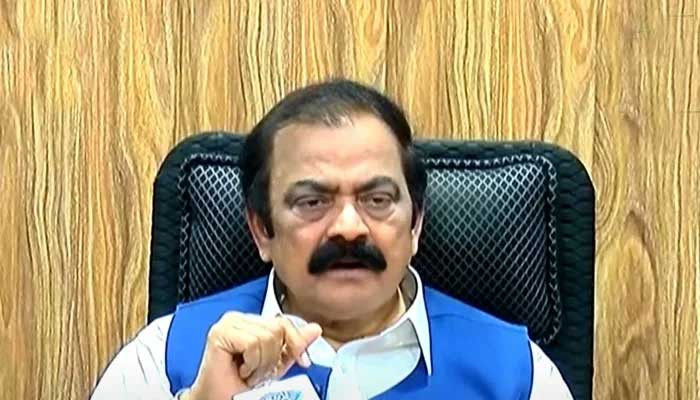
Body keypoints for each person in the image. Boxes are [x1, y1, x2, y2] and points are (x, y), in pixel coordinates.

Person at [91, 79, 573, 400]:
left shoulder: (517, 374)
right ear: (261, 229)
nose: (348, 227)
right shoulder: (165, 359)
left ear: (416, 224)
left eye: (377, 199)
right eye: (312, 202)